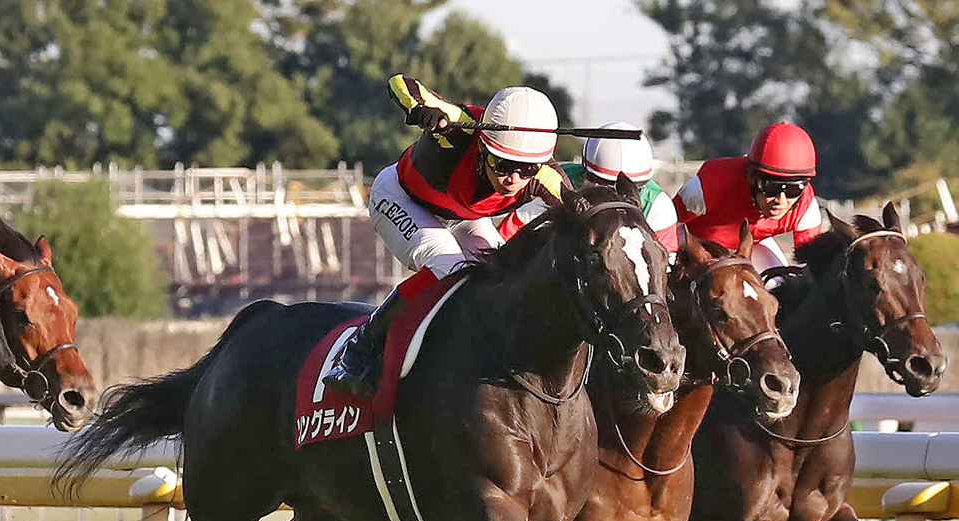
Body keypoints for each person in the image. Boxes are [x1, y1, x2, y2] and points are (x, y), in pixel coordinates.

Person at [323, 74, 571, 399]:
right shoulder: (461, 126)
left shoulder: (548, 177)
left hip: (464, 217)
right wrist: (421, 109)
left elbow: (589, 214)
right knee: (450, 268)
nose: (512, 178)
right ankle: (361, 349)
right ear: (483, 147)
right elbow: (402, 84)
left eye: (526, 170)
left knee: (503, 275)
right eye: (501, 163)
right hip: (400, 197)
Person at [507, 122, 678, 252]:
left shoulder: (658, 206)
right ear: (585, 175)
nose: (616, 200)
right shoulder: (558, 184)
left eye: (629, 189)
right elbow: (509, 233)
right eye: (607, 188)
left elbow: (660, 271)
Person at [673, 122, 822, 271]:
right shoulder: (709, 185)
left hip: (751, 246)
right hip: (692, 243)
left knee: (778, 282)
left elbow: (810, 269)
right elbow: (665, 227)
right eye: (771, 187)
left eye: (793, 189)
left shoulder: (806, 205)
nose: (780, 200)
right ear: (751, 177)